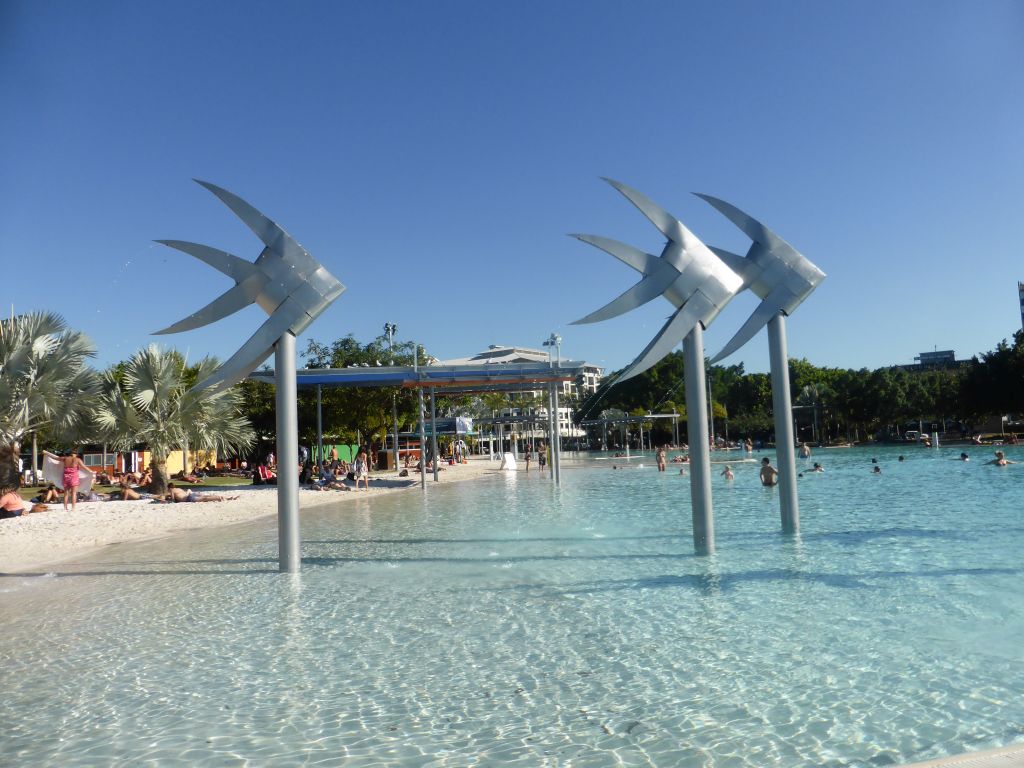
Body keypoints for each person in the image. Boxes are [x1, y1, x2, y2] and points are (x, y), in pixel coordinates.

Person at [162, 483, 238, 503]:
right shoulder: (179, 489)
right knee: (207, 496)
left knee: (205, 498)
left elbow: (172, 500)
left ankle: (219, 498)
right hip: (190, 495)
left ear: (169, 488)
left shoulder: (171, 490)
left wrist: (168, 500)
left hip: (189, 498)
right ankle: (227, 498)